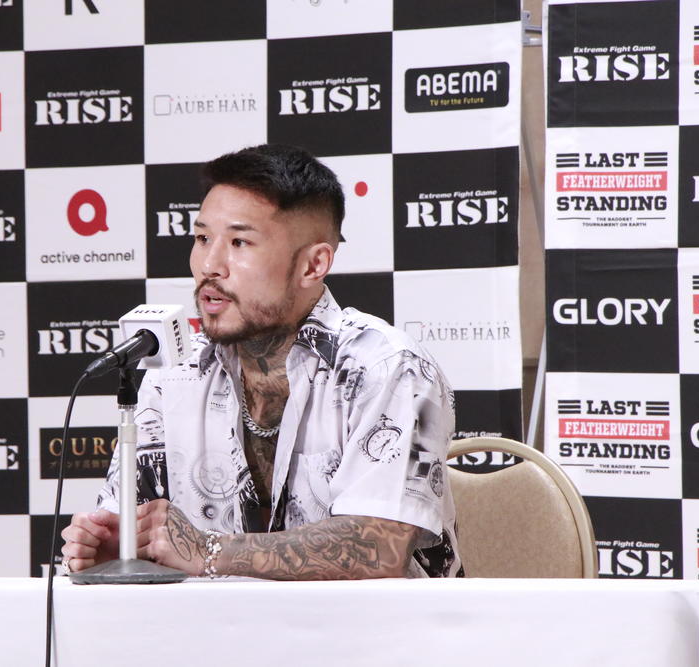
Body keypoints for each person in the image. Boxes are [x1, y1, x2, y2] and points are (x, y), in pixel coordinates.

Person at [61, 144, 462, 580]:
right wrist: (115, 549)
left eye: (239, 242)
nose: (209, 265)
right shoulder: (172, 374)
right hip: (215, 623)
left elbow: (380, 548)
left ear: (313, 265)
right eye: (202, 238)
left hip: (374, 624)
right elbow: (131, 528)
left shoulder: (388, 367)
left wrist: (208, 550)